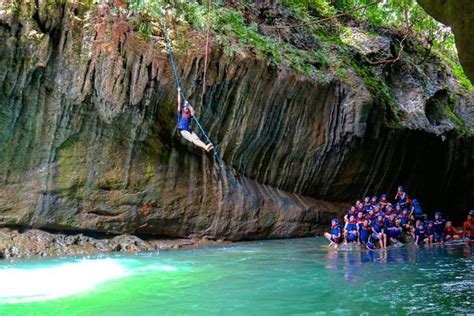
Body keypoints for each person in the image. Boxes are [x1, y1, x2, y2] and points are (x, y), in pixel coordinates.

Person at [176, 87, 214, 152]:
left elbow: (193, 112)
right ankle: (205, 147)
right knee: (193, 139)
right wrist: (179, 92)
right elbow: (179, 102)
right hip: (183, 130)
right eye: (185, 107)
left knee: (197, 138)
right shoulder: (180, 112)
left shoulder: (189, 114)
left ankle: (206, 147)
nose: (186, 108)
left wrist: (189, 106)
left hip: (189, 130)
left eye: (187, 107)